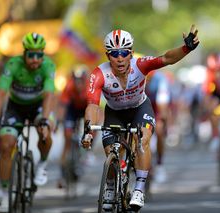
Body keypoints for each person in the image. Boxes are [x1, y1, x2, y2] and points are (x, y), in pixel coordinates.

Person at [81, 25, 199, 210]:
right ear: (107, 56)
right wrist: (88, 130)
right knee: (111, 151)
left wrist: (186, 48)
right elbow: (93, 105)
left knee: (143, 138)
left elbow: (167, 58)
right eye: (114, 53)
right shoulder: (99, 74)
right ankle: (111, 185)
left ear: (131, 53)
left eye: (124, 53)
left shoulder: (140, 65)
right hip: (115, 113)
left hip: (139, 108)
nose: (119, 58)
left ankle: (139, 189)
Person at [0, 32, 56, 213]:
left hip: (39, 107)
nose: (35, 59)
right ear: (24, 53)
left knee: (46, 132)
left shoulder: (48, 66)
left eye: (39, 55)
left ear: (43, 55)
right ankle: (4, 195)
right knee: (6, 145)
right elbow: (0, 93)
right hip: (15, 108)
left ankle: (42, 164)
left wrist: (44, 119)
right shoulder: (13, 65)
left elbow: (49, 95)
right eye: (31, 55)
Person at [55, 64, 90, 187]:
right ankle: (62, 175)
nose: (78, 84)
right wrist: (58, 121)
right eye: (76, 81)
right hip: (72, 110)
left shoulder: (89, 88)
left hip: (86, 109)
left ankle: (85, 155)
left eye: (81, 81)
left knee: (91, 130)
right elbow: (62, 107)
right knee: (67, 139)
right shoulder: (69, 87)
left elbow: (94, 110)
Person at [145, 70, 171, 183]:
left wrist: (162, 120)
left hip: (157, 107)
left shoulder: (160, 80)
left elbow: (162, 103)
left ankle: (159, 164)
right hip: (143, 107)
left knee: (159, 130)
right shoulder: (133, 77)